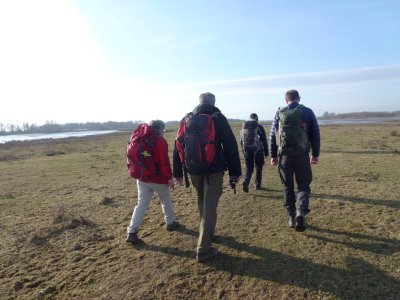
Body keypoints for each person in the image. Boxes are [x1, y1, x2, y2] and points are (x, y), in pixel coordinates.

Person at [173, 92, 242, 262]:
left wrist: (177, 173)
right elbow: (230, 145)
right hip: (214, 170)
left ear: (199, 103)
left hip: (193, 169)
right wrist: (235, 172)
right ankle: (203, 249)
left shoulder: (187, 119)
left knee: (202, 202)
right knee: (210, 206)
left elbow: (177, 145)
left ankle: (209, 235)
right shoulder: (218, 117)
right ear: (213, 102)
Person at [269, 90, 320, 232]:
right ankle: (301, 212)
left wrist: (273, 155)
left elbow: (273, 135)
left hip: (284, 157)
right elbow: (315, 134)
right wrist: (315, 154)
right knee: (303, 185)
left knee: (287, 186)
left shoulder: (279, 112)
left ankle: (292, 217)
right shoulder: (308, 111)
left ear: (286, 100)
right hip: (302, 155)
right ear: (299, 99)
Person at [126, 120, 180, 245]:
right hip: (158, 179)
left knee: (141, 204)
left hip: (142, 177)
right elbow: (164, 161)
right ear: (160, 129)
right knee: (165, 200)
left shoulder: (138, 137)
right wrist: (169, 178)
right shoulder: (160, 141)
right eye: (163, 130)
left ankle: (131, 231)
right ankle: (170, 223)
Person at [240, 113, 269, 192]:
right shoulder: (260, 127)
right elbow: (264, 141)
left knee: (249, 168)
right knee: (259, 168)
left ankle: (246, 182)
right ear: (257, 119)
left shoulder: (244, 127)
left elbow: (241, 140)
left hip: (247, 151)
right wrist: (266, 153)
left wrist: (244, 151)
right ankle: (258, 185)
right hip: (259, 151)